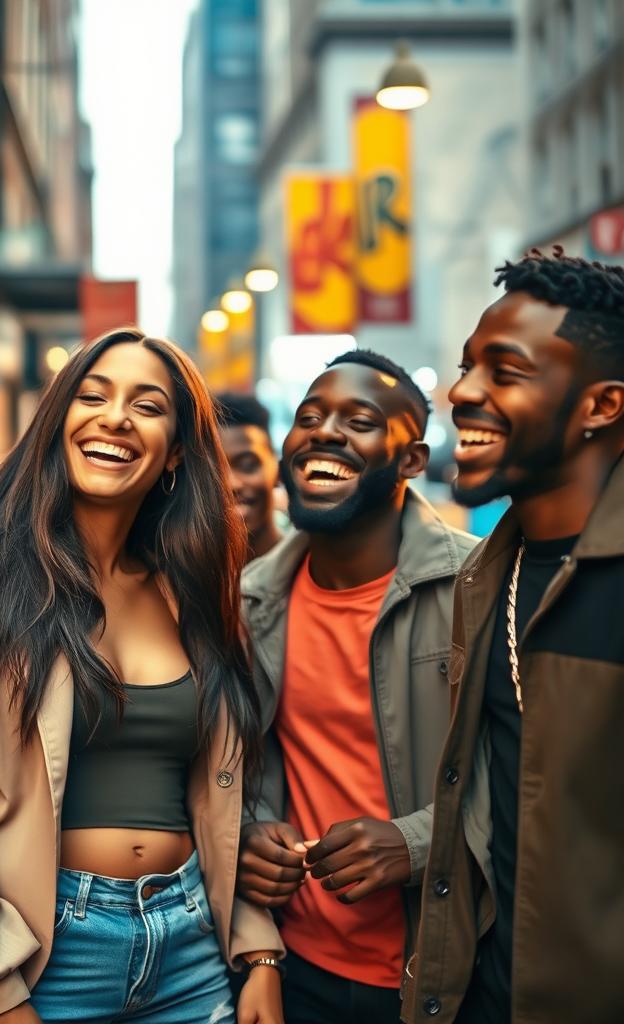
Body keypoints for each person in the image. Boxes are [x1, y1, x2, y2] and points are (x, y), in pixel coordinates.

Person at [0, 328, 284, 1024]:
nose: (115, 416)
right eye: (93, 396)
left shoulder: (194, 589)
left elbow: (225, 792)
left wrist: (257, 946)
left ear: (176, 451)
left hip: (190, 950)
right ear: (60, 423)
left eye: (147, 406)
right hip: (40, 959)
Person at [404, 251, 624, 1023]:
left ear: (601, 405)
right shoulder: (485, 574)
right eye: (467, 368)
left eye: (505, 371)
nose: (461, 393)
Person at [236, 350, 476, 1024]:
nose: (325, 431)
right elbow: (239, 764)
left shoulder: (476, 586)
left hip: (443, 975)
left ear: (410, 460)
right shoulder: (253, 600)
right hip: (294, 968)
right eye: (309, 417)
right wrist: (250, 835)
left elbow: (533, 779)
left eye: (359, 421)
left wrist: (415, 843)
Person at [216, 393, 285, 562]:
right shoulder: (174, 579)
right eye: (214, 470)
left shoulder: (312, 568)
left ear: (278, 471)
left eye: (247, 465)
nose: (231, 483)